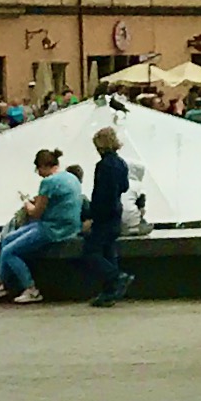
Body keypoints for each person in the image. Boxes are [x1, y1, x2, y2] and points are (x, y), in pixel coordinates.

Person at [0, 150, 87, 304]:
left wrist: (25, 202)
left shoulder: (48, 183)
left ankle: (30, 288)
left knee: (9, 251)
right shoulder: (71, 177)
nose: (39, 174)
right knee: (9, 238)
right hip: (70, 226)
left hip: (53, 229)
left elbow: (36, 213)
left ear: (43, 166)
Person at [80, 126, 135, 305]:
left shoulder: (103, 165)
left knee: (91, 252)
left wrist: (91, 215)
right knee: (109, 251)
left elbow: (100, 194)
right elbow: (125, 187)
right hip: (116, 211)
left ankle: (117, 277)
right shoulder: (121, 163)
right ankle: (109, 292)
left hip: (104, 214)